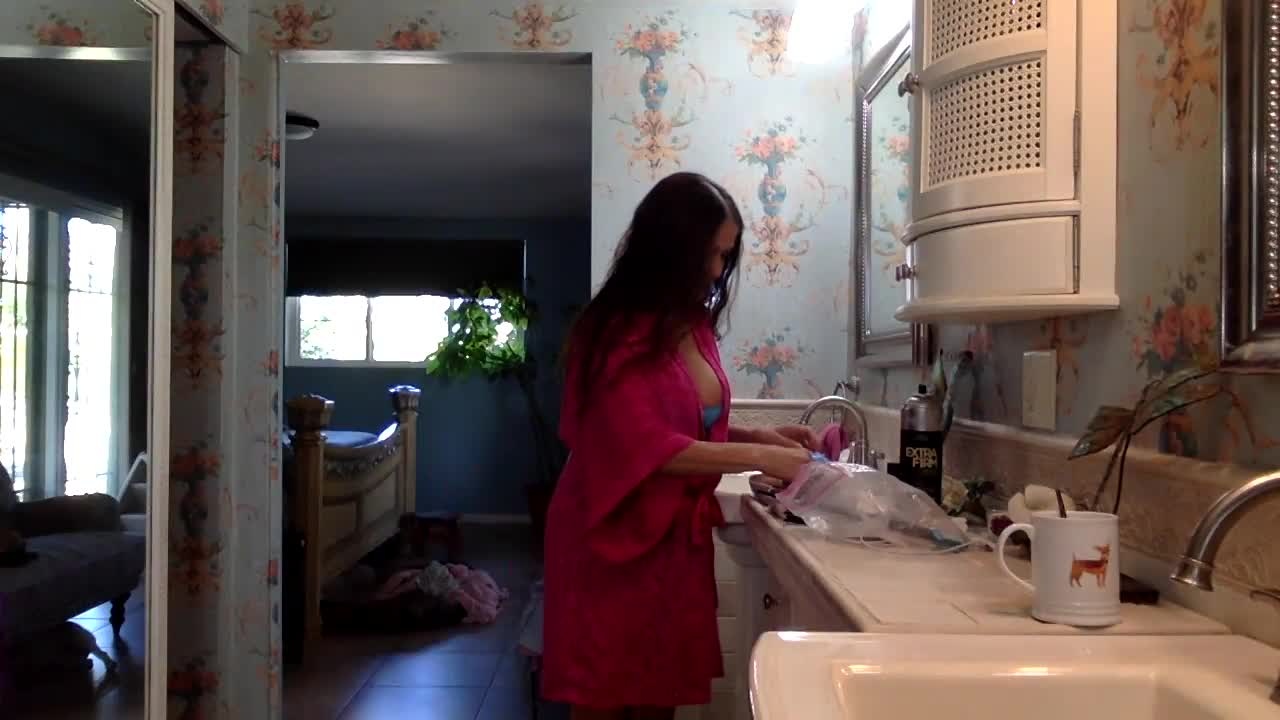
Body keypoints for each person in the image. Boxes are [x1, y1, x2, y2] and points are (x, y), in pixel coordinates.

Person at [542, 172, 819, 720]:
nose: (718, 270)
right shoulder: (612, 333)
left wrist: (758, 435)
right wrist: (760, 457)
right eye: (712, 254)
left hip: (668, 546)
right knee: (604, 701)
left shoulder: (694, 326)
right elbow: (641, 445)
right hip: (608, 541)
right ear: (672, 250)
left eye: (726, 255)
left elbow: (683, 423)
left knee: (658, 697)